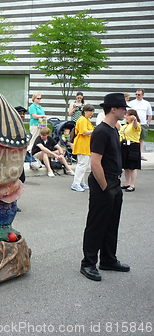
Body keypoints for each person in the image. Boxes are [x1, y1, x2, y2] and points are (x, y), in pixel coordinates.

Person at [80, 93, 130, 282]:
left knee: (111, 223)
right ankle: (88, 263)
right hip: (104, 182)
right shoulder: (101, 131)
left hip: (114, 181)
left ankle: (108, 259)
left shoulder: (113, 129)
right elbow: (95, 163)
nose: (126, 110)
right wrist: (105, 186)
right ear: (113, 109)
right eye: (123, 107)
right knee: (97, 223)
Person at [71, 104, 95, 192]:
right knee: (82, 165)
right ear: (85, 111)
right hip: (82, 145)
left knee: (84, 165)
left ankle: (80, 182)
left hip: (86, 145)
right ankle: (76, 183)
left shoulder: (86, 120)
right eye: (90, 111)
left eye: (93, 112)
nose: (92, 113)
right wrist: (95, 131)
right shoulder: (82, 120)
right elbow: (84, 132)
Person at [119, 109, 141, 192]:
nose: (126, 117)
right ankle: (127, 183)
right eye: (126, 115)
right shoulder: (125, 126)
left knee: (132, 166)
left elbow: (135, 126)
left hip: (133, 145)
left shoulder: (135, 125)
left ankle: (132, 185)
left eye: (127, 115)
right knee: (126, 167)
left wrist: (134, 120)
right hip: (124, 145)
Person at [127, 89, 152, 160]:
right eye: (136, 94)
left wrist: (148, 123)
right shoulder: (132, 103)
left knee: (141, 139)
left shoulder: (146, 103)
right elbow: (127, 112)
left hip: (143, 123)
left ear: (143, 95)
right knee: (133, 138)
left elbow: (150, 114)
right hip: (133, 123)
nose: (137, 96)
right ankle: (132, 153)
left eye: (139, 94)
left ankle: (140, 154)